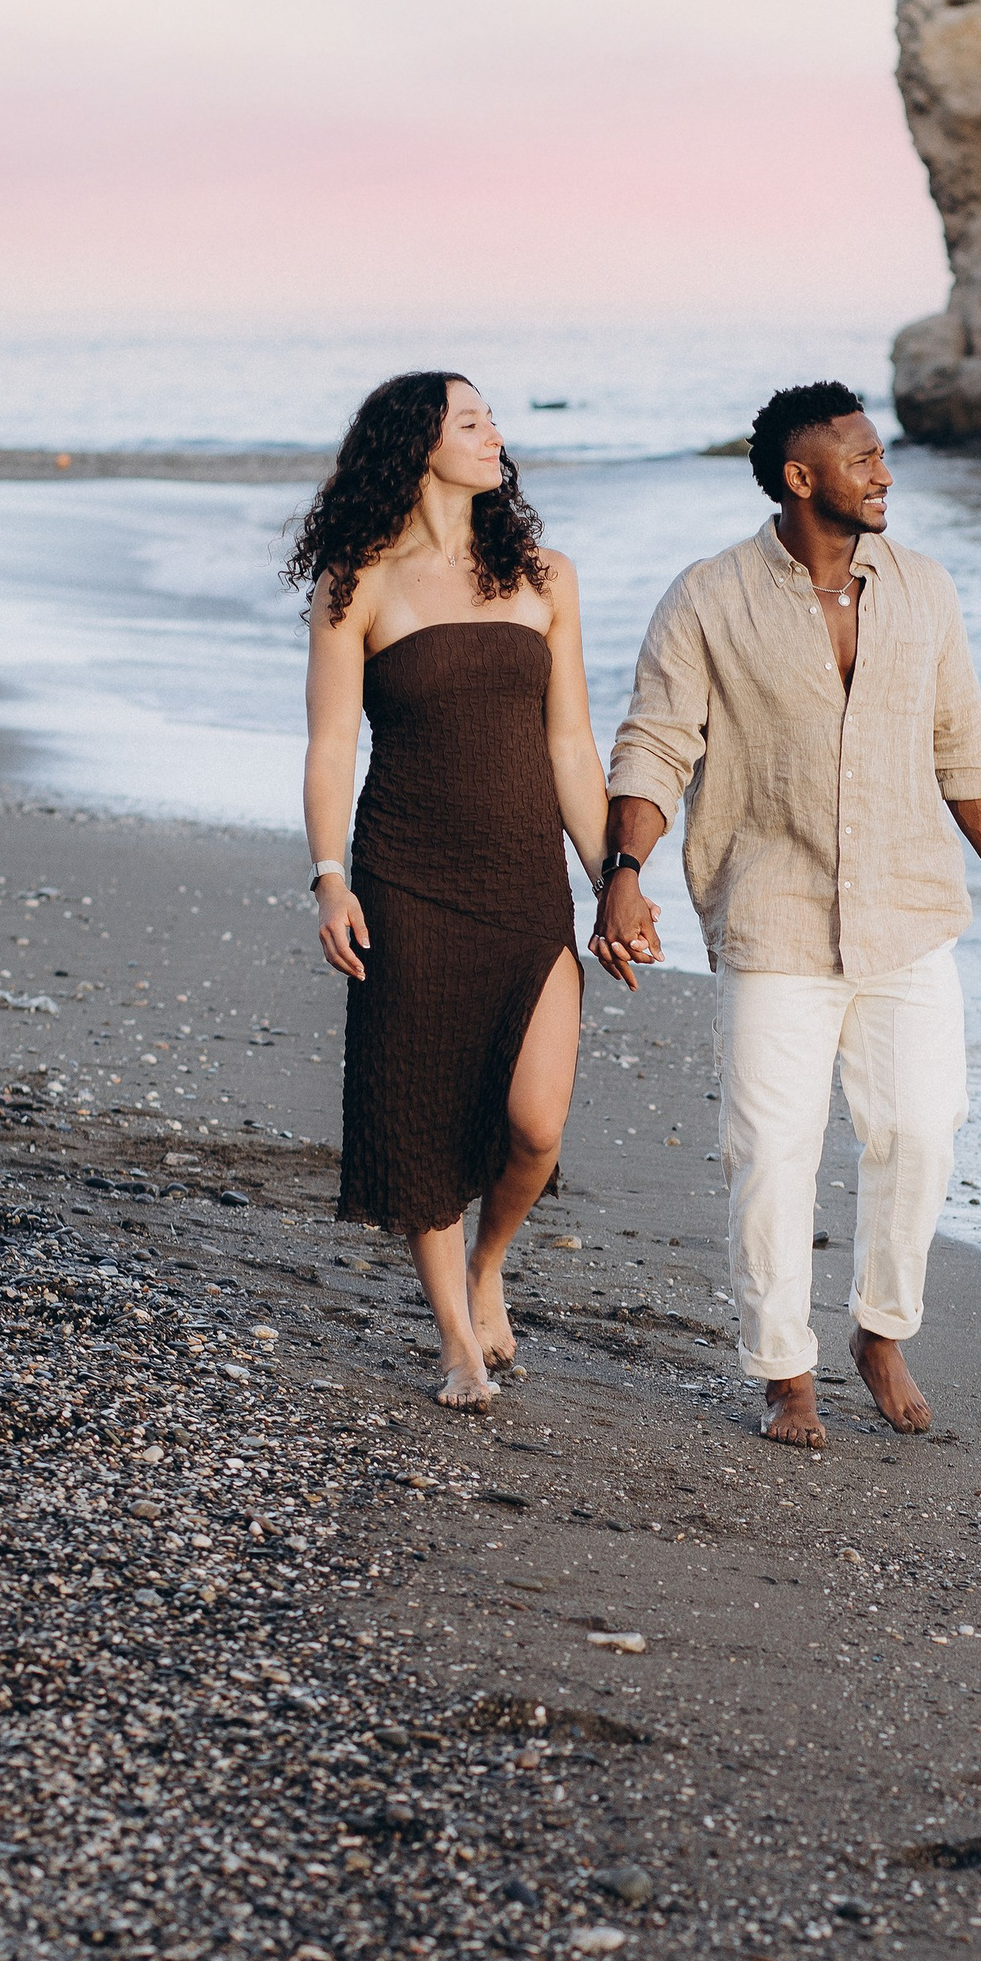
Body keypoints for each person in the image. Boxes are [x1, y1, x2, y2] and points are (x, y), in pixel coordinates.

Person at [594, 379, 981, 1449]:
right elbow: (658, 739)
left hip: (907, 909)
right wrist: (623, 869)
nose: (883, 472)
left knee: (923, 1128)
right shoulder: (708, 596)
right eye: (862, 457)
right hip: (774, 909)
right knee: (771, 1147)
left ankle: (879, 1329)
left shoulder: (923, 588)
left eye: (881, 455)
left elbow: (960, 742)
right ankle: (783, 1367)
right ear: (802, 478)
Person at [288, 372, 654, 1409]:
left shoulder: (544, 575)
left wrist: (612, 883)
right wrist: (328, 877)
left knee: (535, 1124)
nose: (495, 434)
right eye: (470, 420)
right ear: (417, 447)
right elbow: (327, 749)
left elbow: (572, 745)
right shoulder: (356, 583)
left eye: (492, 418)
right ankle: (454, 1337)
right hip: (405, 875)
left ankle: (490, 1264)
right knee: (422, 1113)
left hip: (524, 882)